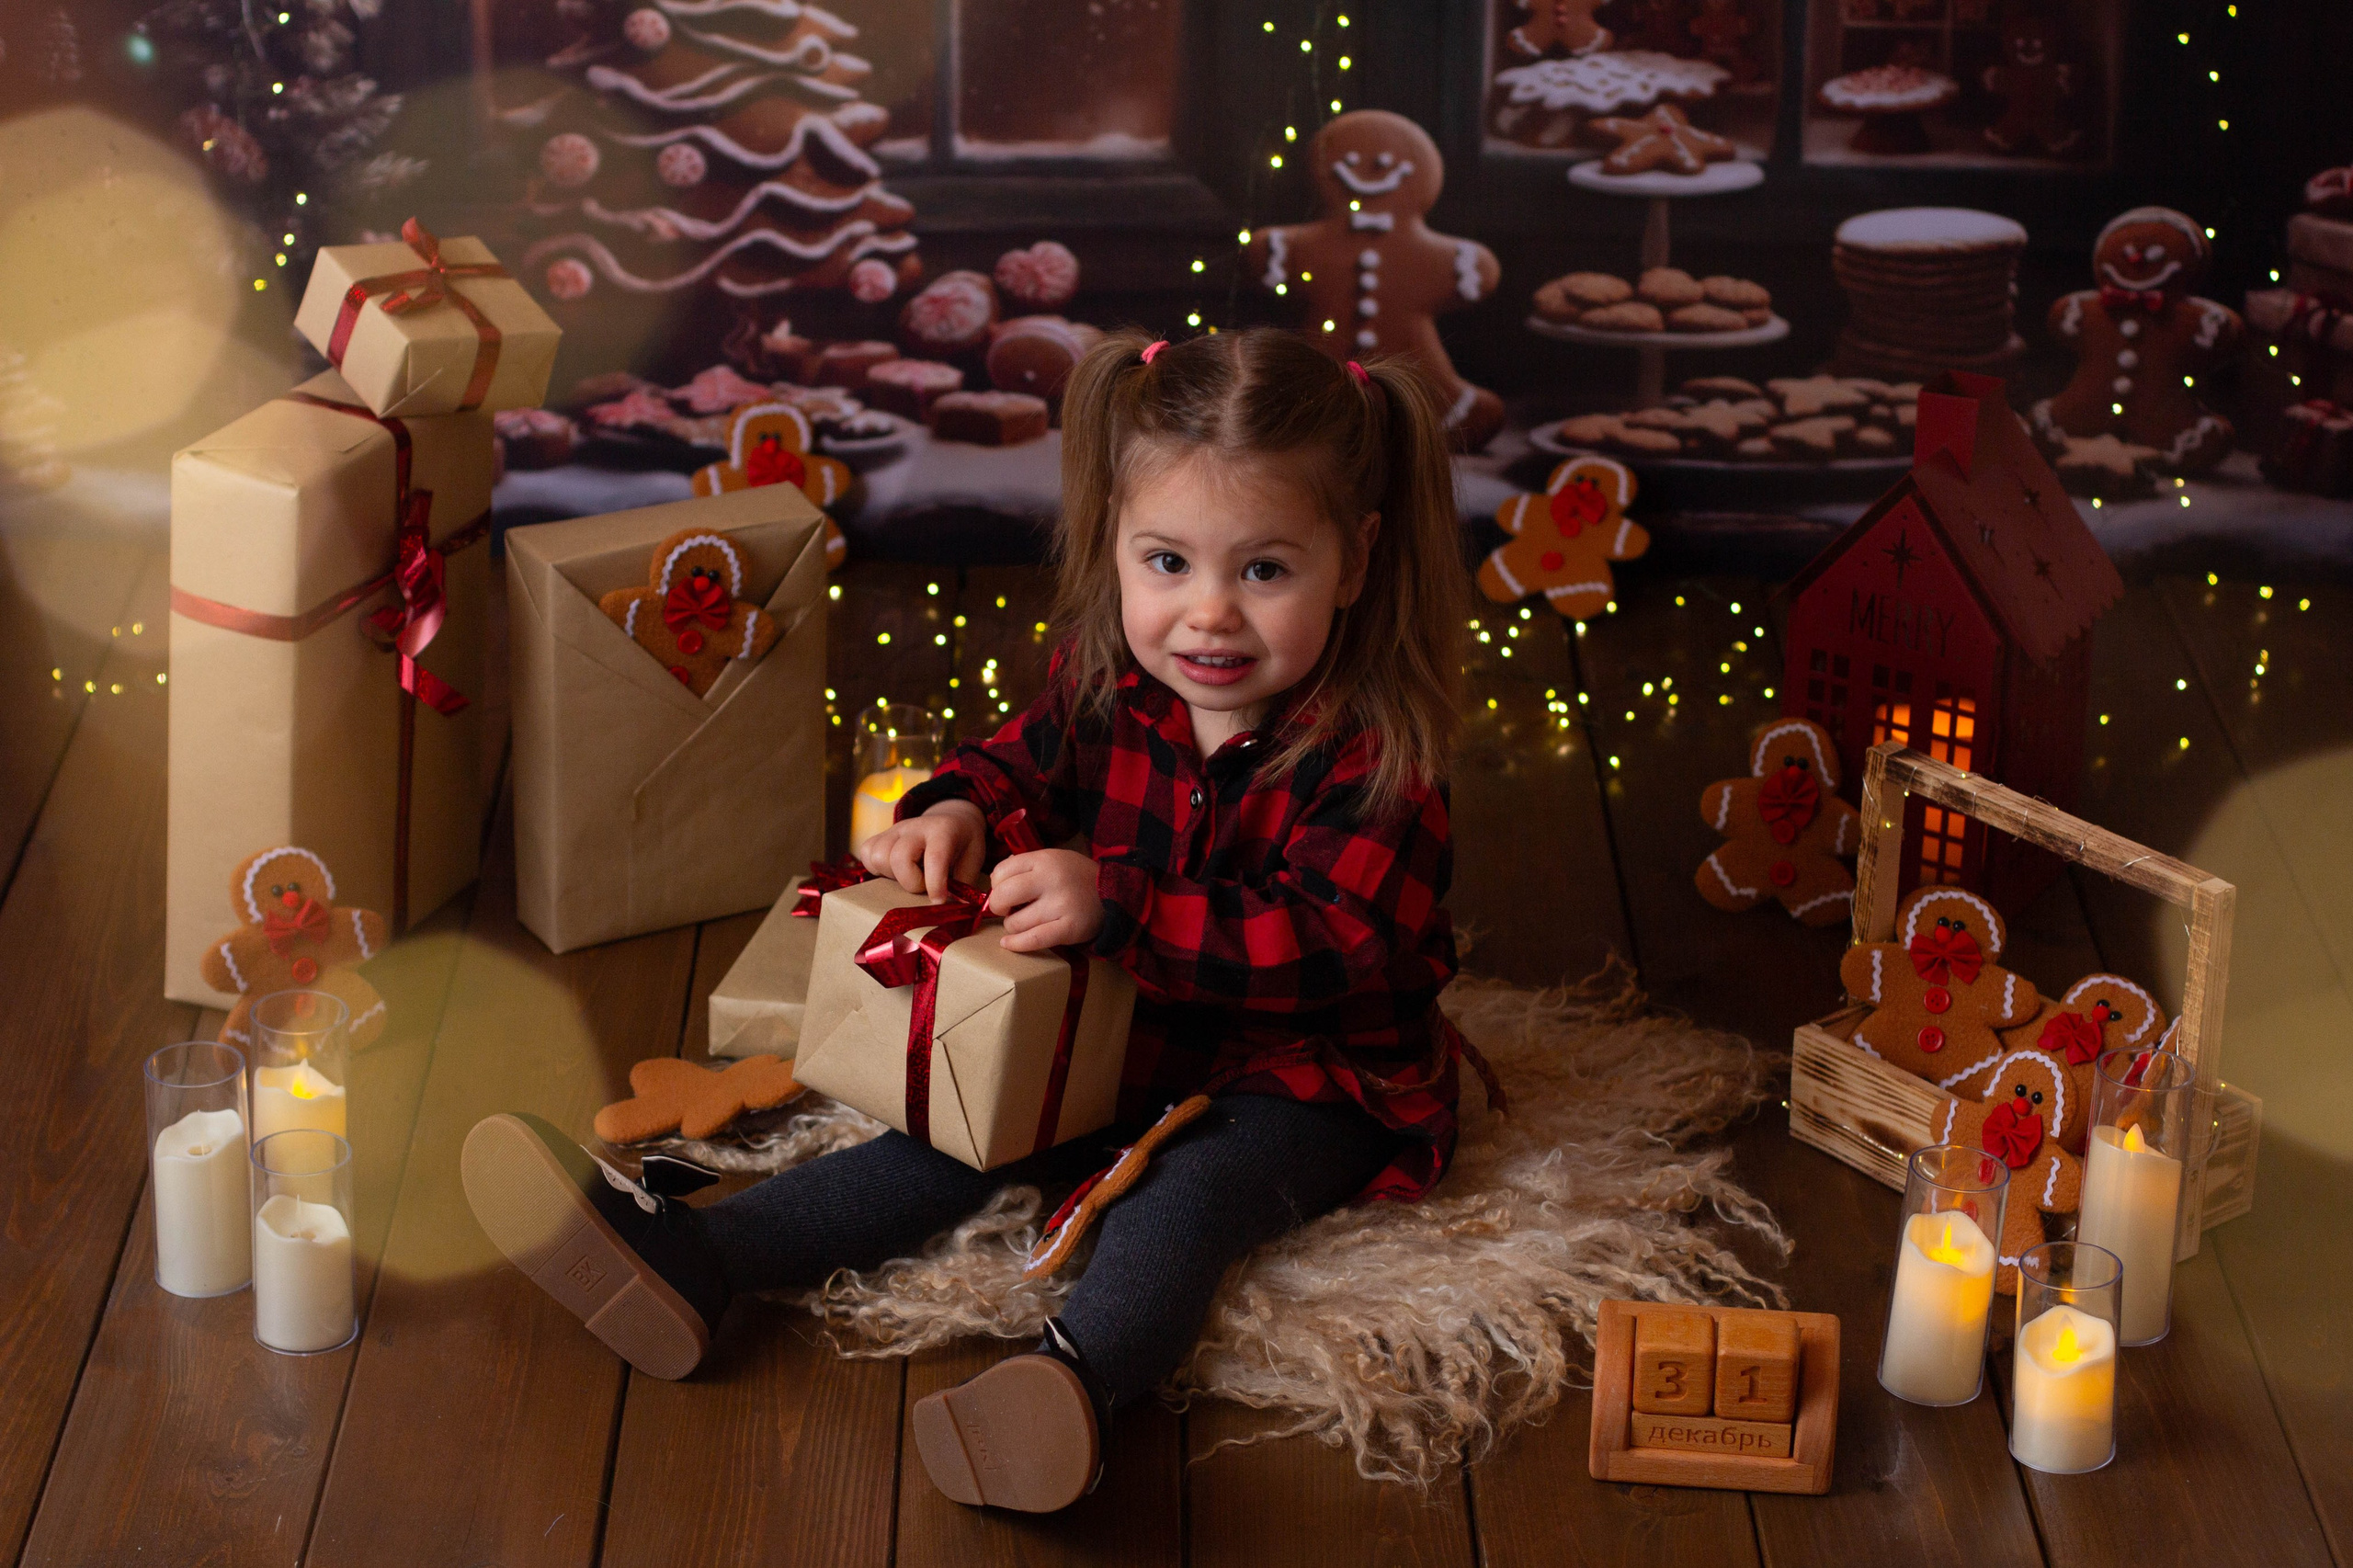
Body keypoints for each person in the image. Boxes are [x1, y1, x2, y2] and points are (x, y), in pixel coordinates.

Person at [460, 327, 1477, 1514]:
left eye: (1264, 571)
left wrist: (1122, 905)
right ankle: (704, 1260)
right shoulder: (1112, 689)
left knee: (1180, 1201)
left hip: (1306, 1074)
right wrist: (953, 809)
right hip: (1122, 1028)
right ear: (1115, 540)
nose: (1208, 615)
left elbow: (1332, 943)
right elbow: (1017, 765)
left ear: (1352, 561)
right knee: (950, 1136)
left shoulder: (1377, 759)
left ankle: (1075, 1387)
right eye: (1166, 562)